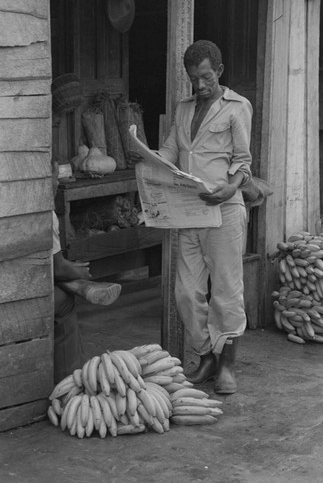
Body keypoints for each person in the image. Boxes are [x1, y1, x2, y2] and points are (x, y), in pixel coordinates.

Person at [131, 40, 252, 394]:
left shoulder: (237, 107)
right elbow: (170, 151)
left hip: (224, 210)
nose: (199, 85)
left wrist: (231, 188)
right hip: (188, 213)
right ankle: (206, 357)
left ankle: (227, 364)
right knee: (186, 292)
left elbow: (243, 161)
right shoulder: (183, 110)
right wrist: (145, 154)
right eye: (193, 78)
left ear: (219, 72)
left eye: (205, 77)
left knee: (226, 292)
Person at [52, 161, 122, 383]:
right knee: (64, 301)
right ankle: (68, 379)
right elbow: (56, 266)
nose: (56, 183)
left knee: (57, 279)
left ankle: (71, 283)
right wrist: (78, 272)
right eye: (53, 178)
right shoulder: (42, 213)